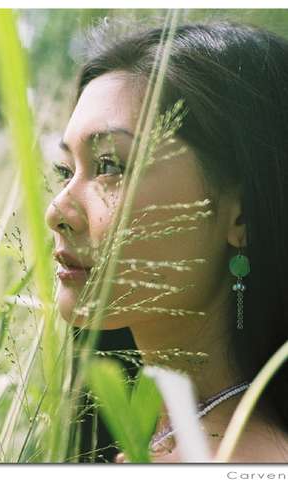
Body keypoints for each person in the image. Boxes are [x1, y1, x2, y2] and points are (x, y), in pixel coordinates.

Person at [45, 19, 288, 463]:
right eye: (66, 171)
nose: (57, 212)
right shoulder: (154, 434)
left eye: (110, 166)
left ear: (242, 214)